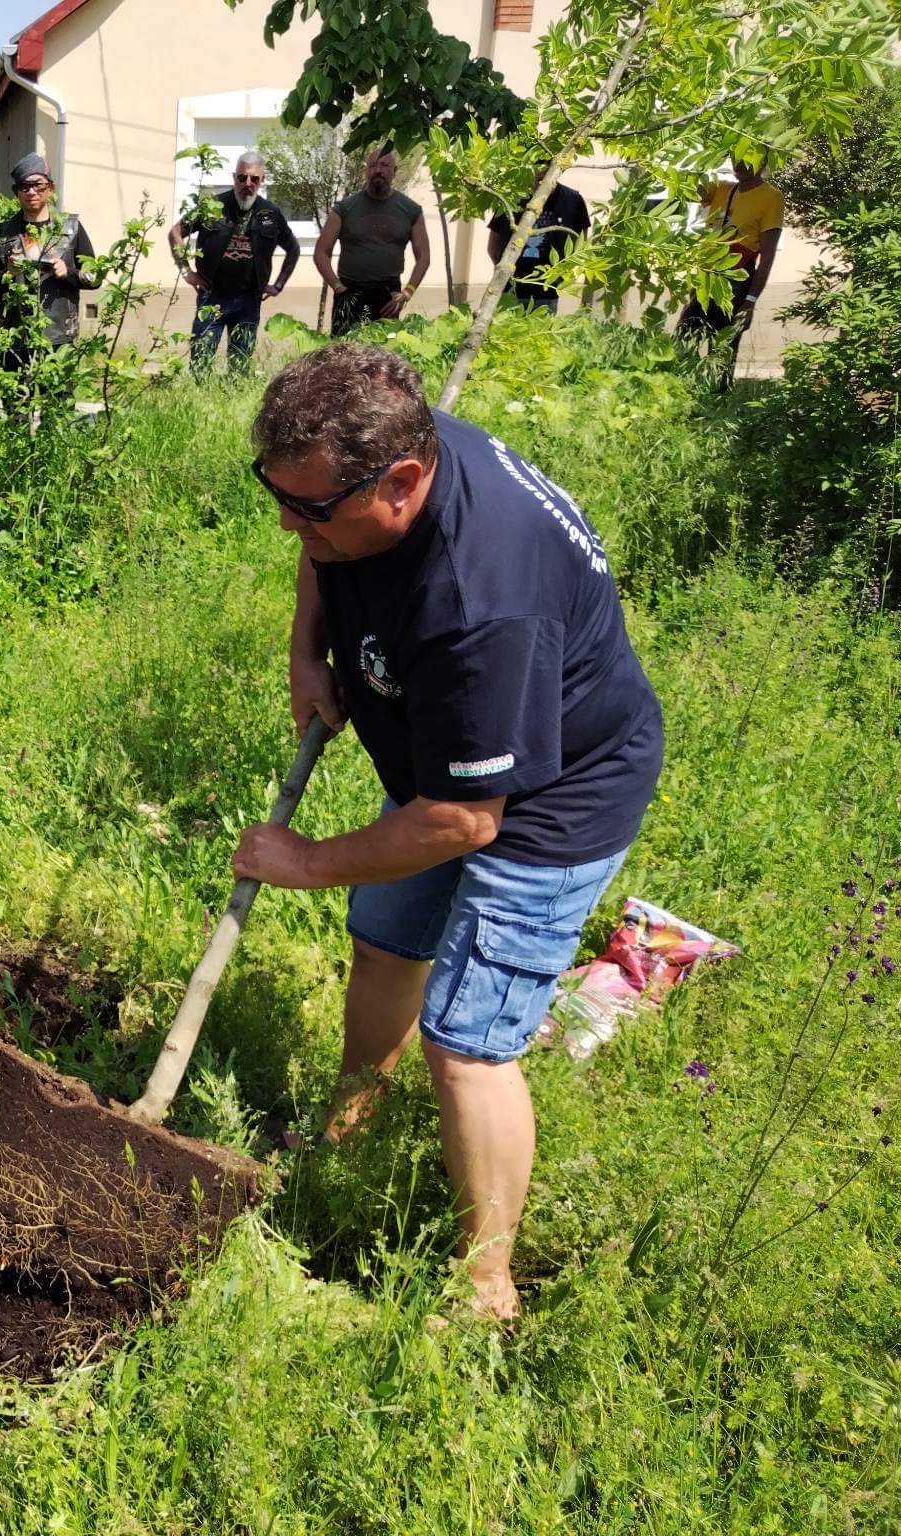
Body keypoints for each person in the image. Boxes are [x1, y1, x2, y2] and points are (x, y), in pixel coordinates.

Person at [238, 343, 662, 1321]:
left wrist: (305, 860)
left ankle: (485, 1286)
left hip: (552, 795)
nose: (288, 523)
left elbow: (465, 820)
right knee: (385, 939)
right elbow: (321, 550)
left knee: (467, 1042)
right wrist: (307, 651)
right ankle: (348, 1125)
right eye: (277, 495)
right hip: (451, 763)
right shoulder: (377, 459)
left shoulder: (483, 604)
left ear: (401, 482)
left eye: (307, 507)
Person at [169, 151, 300, 376]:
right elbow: (175, 233)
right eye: (242, 177)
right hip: (212, 297)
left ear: (262, 180)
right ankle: (200, 396)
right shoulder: (212, 206)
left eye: (254, 179)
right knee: (200, 363)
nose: (247, 184)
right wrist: (186, 271)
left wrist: (278, 285)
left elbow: (293, 249)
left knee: (240, 368)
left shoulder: (271, 213)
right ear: (234, 177)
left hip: (249, 300)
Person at [0, 152, 101, 372]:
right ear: (16, 192)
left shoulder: (71, 228)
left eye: (38, 185)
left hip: (59, 336)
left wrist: (68, 273)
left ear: (50, 188)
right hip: (15, 338)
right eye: (24, 186)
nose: (31, 192)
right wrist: (7, 274)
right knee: (16, 394)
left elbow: (95, 277)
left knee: (59, 394)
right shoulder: (2, 234)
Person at [676, 157, 783, 387]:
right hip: (706, 276)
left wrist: (750, 301)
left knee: (722, 351)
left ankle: (717, 398)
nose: (739, 165)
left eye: (747, 159)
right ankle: (682, 392)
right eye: (735, 158)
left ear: (763, 161)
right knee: (684, 339)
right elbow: (686, 187)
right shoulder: (720, 188)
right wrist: (715, 153)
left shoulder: (771, 197)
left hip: (736, 280)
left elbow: (767, 257)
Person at [315, 146, 429, 337]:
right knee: (343, 351)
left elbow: (424, 257)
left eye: (385, 165)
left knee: (384, 351)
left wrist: (407, 293)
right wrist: (337, 287)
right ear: (366, 171)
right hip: (349, 291)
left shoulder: (411, 210)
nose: (378, 170)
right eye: (373, 165)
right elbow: (321, 252)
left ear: (394, 171)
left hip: (388, 296)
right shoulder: (344, 209)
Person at [485, 169, 591, 313]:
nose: (542, 170)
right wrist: (504, 273)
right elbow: (493, 246)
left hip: (547, 292)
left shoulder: (572, 200)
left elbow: (581, 243)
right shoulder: (513, 196)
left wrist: (562, 274)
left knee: (540, 326)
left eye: (548, 165)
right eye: (537, 164)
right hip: (509, 290)